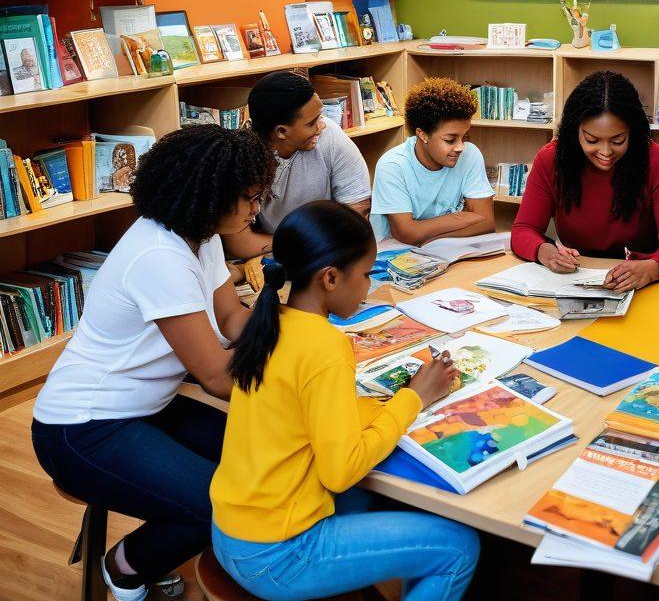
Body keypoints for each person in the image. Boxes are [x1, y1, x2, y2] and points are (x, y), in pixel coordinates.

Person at [31, 125, 276, 601]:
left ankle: (167, 540)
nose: (256, 208)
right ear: (210, 196)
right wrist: (300, 377)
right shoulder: (159, 256)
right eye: (248, 197)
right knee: (221, 502)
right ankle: (124, 567)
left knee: (265, 457)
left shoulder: (201, 236)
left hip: (146, 407)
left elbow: (230, 317)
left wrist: (289, 338)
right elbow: (217, 377)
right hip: (82, 427)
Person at [209, 201, 479, 601]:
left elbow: (302, 413)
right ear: (331, 278)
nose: (369, 286)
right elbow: (340, 472)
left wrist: (390, 404)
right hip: (280, 554)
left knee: (366, 497)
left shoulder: (270, 321)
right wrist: (413, 399)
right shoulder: (325, 346)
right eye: (367, 274)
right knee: (459, 548)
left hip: (232, 532)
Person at [511, 70, 659, 292]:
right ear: (574, 130)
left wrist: (651, 268)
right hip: (574, 279)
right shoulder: (550, 159)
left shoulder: (657, 160)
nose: (605, 152)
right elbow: (523, 230)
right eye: (591, 140)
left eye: (618, 140)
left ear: (632, 131)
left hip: (642, 283)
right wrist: (545, 251)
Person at [221, 71, 371, 260]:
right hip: (273, 254)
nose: (322, 126)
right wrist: (305, 245)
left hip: (327, 249)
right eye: (312, 123)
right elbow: (240, 243)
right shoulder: (240, 158)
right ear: (281, 132)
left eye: (320, 116)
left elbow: (358, 215)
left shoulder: (331, 136)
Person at [370, 77, 495, 245]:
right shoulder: (392, 166)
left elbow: (487, 224)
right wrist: (459, 217)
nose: (460, 147)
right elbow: (406, 234)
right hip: (396, 252)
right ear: (422, 135)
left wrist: (429, 237)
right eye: (450, 140)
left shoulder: (470, 154)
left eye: (464, 137)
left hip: (443, 249)